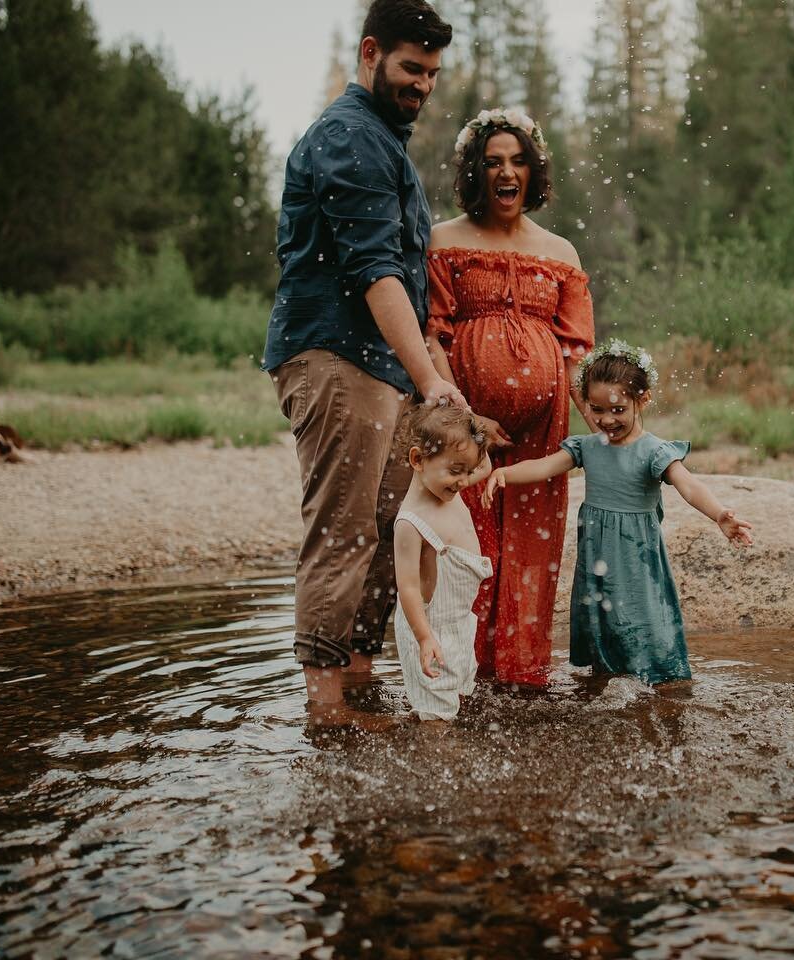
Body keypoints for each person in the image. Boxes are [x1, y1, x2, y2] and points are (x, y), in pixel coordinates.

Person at [262, 0, 465, 715]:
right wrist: (430, 377)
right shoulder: (348, 137)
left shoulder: (384, 142)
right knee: (343, 531)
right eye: (413, 68)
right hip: (334, 357)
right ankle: (325, 709)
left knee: (391, 529)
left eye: (434, 73)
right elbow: (377, 273)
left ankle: (358, 674)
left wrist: (428, 372)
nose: (424, 85)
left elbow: (408, 280)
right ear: (372, 52)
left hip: (380, 367)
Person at [425, 106, 596, 687]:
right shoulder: (444, 240)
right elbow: (433, 333)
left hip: (543, 432)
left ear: (534, 170)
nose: (507, 171)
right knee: (465, 547)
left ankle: (521, 678)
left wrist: (605, 423)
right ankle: (458, 677)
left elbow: (577, 354)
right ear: (475, 169)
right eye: (493, 161)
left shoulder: (561, 251)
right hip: (463, 425)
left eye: (519, 161)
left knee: (531, 549)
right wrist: (468, 419)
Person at [482, 340, 754, 684]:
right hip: (597, 553)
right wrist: (505, 473)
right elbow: (546, 466)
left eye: (618, 410)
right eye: (597, 409)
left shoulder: (653, 450)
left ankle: (660, 680)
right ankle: (606, 678)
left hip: (636, 556)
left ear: (643, 400)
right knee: (602, 615)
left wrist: (718, 515)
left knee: (642, 615)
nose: (607, 420)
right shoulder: (587, 447)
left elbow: (688, 484)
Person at [392, 403, 494, 721]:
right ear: (417, 460)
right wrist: (424, 638)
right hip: (430, 628)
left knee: (454, 701)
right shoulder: (411, 522)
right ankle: (434, 760)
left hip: (459, 623)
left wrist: (467, 413)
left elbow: (485, 465)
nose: (465, 481)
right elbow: (407, 588)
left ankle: (436, 748)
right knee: (435, 712)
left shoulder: (448, 488)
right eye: (456, 471)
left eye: (468, 471)